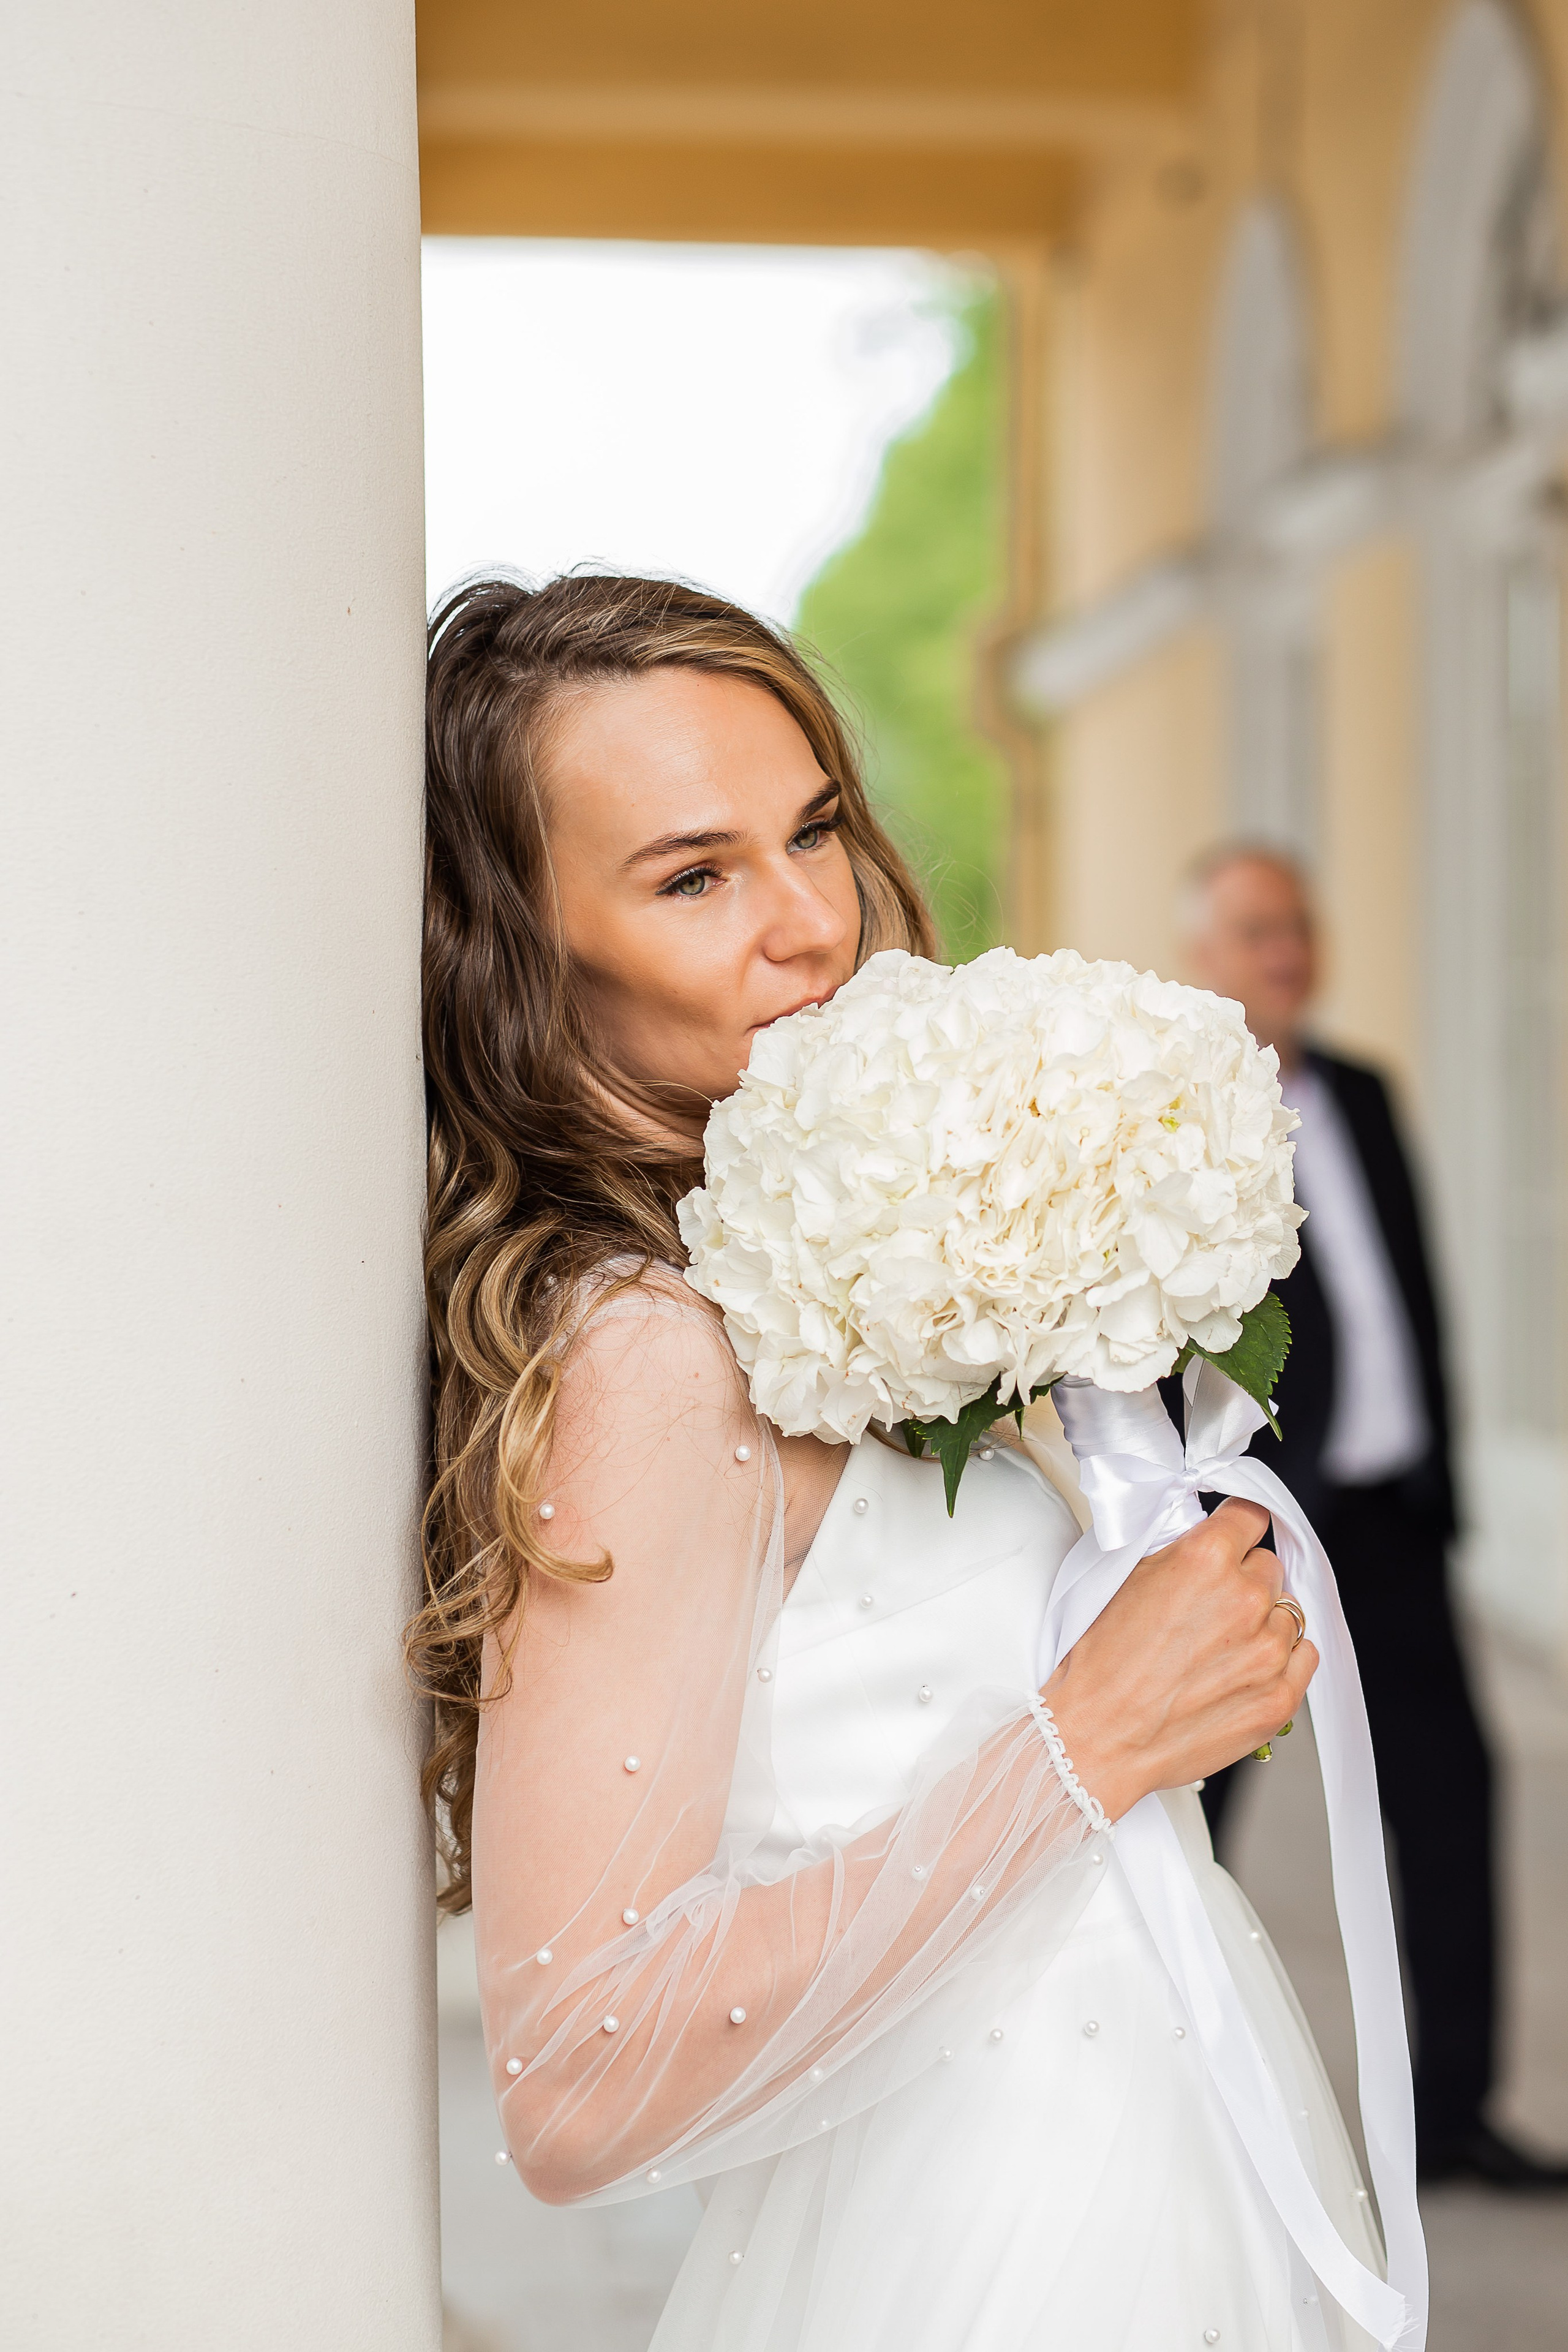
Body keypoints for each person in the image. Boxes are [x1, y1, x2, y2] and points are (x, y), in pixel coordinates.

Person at [407, 573, 1379, 2352]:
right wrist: (1092, 1738)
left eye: (814, 830)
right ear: (522, 961)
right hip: (987, 2260)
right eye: (694, 877)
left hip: (1137, 2179)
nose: (810, 926)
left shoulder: (788, 1274)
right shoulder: (646, 1357)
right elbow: (574, 2074)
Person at [1180, 842, 1568, 2193]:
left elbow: (1411, 1301)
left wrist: (1443, 1482)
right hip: (1260, 1519)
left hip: (1392, 1520)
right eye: (1253, 931)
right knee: (1189, 1804)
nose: (1283, 953)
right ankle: (1176, 2109)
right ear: (1202, 957)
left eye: (1296, 928)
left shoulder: (1362, 1089)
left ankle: (1452, 2114)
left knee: (1449, 1798)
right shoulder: (1178, 1114)